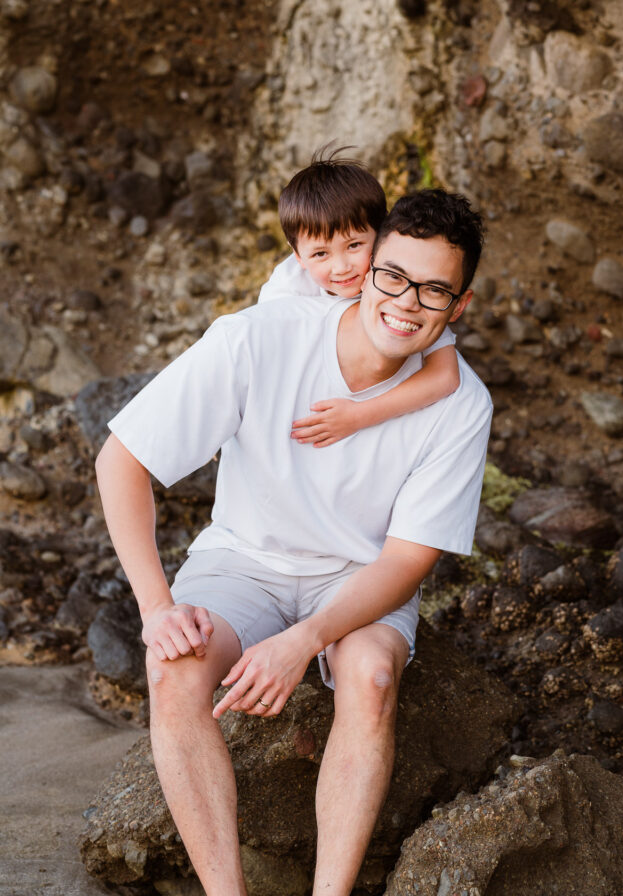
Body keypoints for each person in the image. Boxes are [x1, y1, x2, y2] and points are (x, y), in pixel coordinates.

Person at [95, 188, 493, 896]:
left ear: (457, 307)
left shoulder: (460, 403)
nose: (406, 302)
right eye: (394, 277)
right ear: (368, 267)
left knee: (370, 680)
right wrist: (156, 609)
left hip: (361, 580)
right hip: (243, 559)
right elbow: (122, 459)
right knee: (174, 668)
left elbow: (407, 561)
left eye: (434, 291)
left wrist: (302, 639)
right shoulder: (261, 335)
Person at [259, 151, 462, 447]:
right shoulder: (286, 291)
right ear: (298, 255)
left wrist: (359, 416)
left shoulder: (399, 289)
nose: (342, 268)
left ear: (381, 236)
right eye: (320, 254)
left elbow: (445, 376)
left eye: (354, 245)